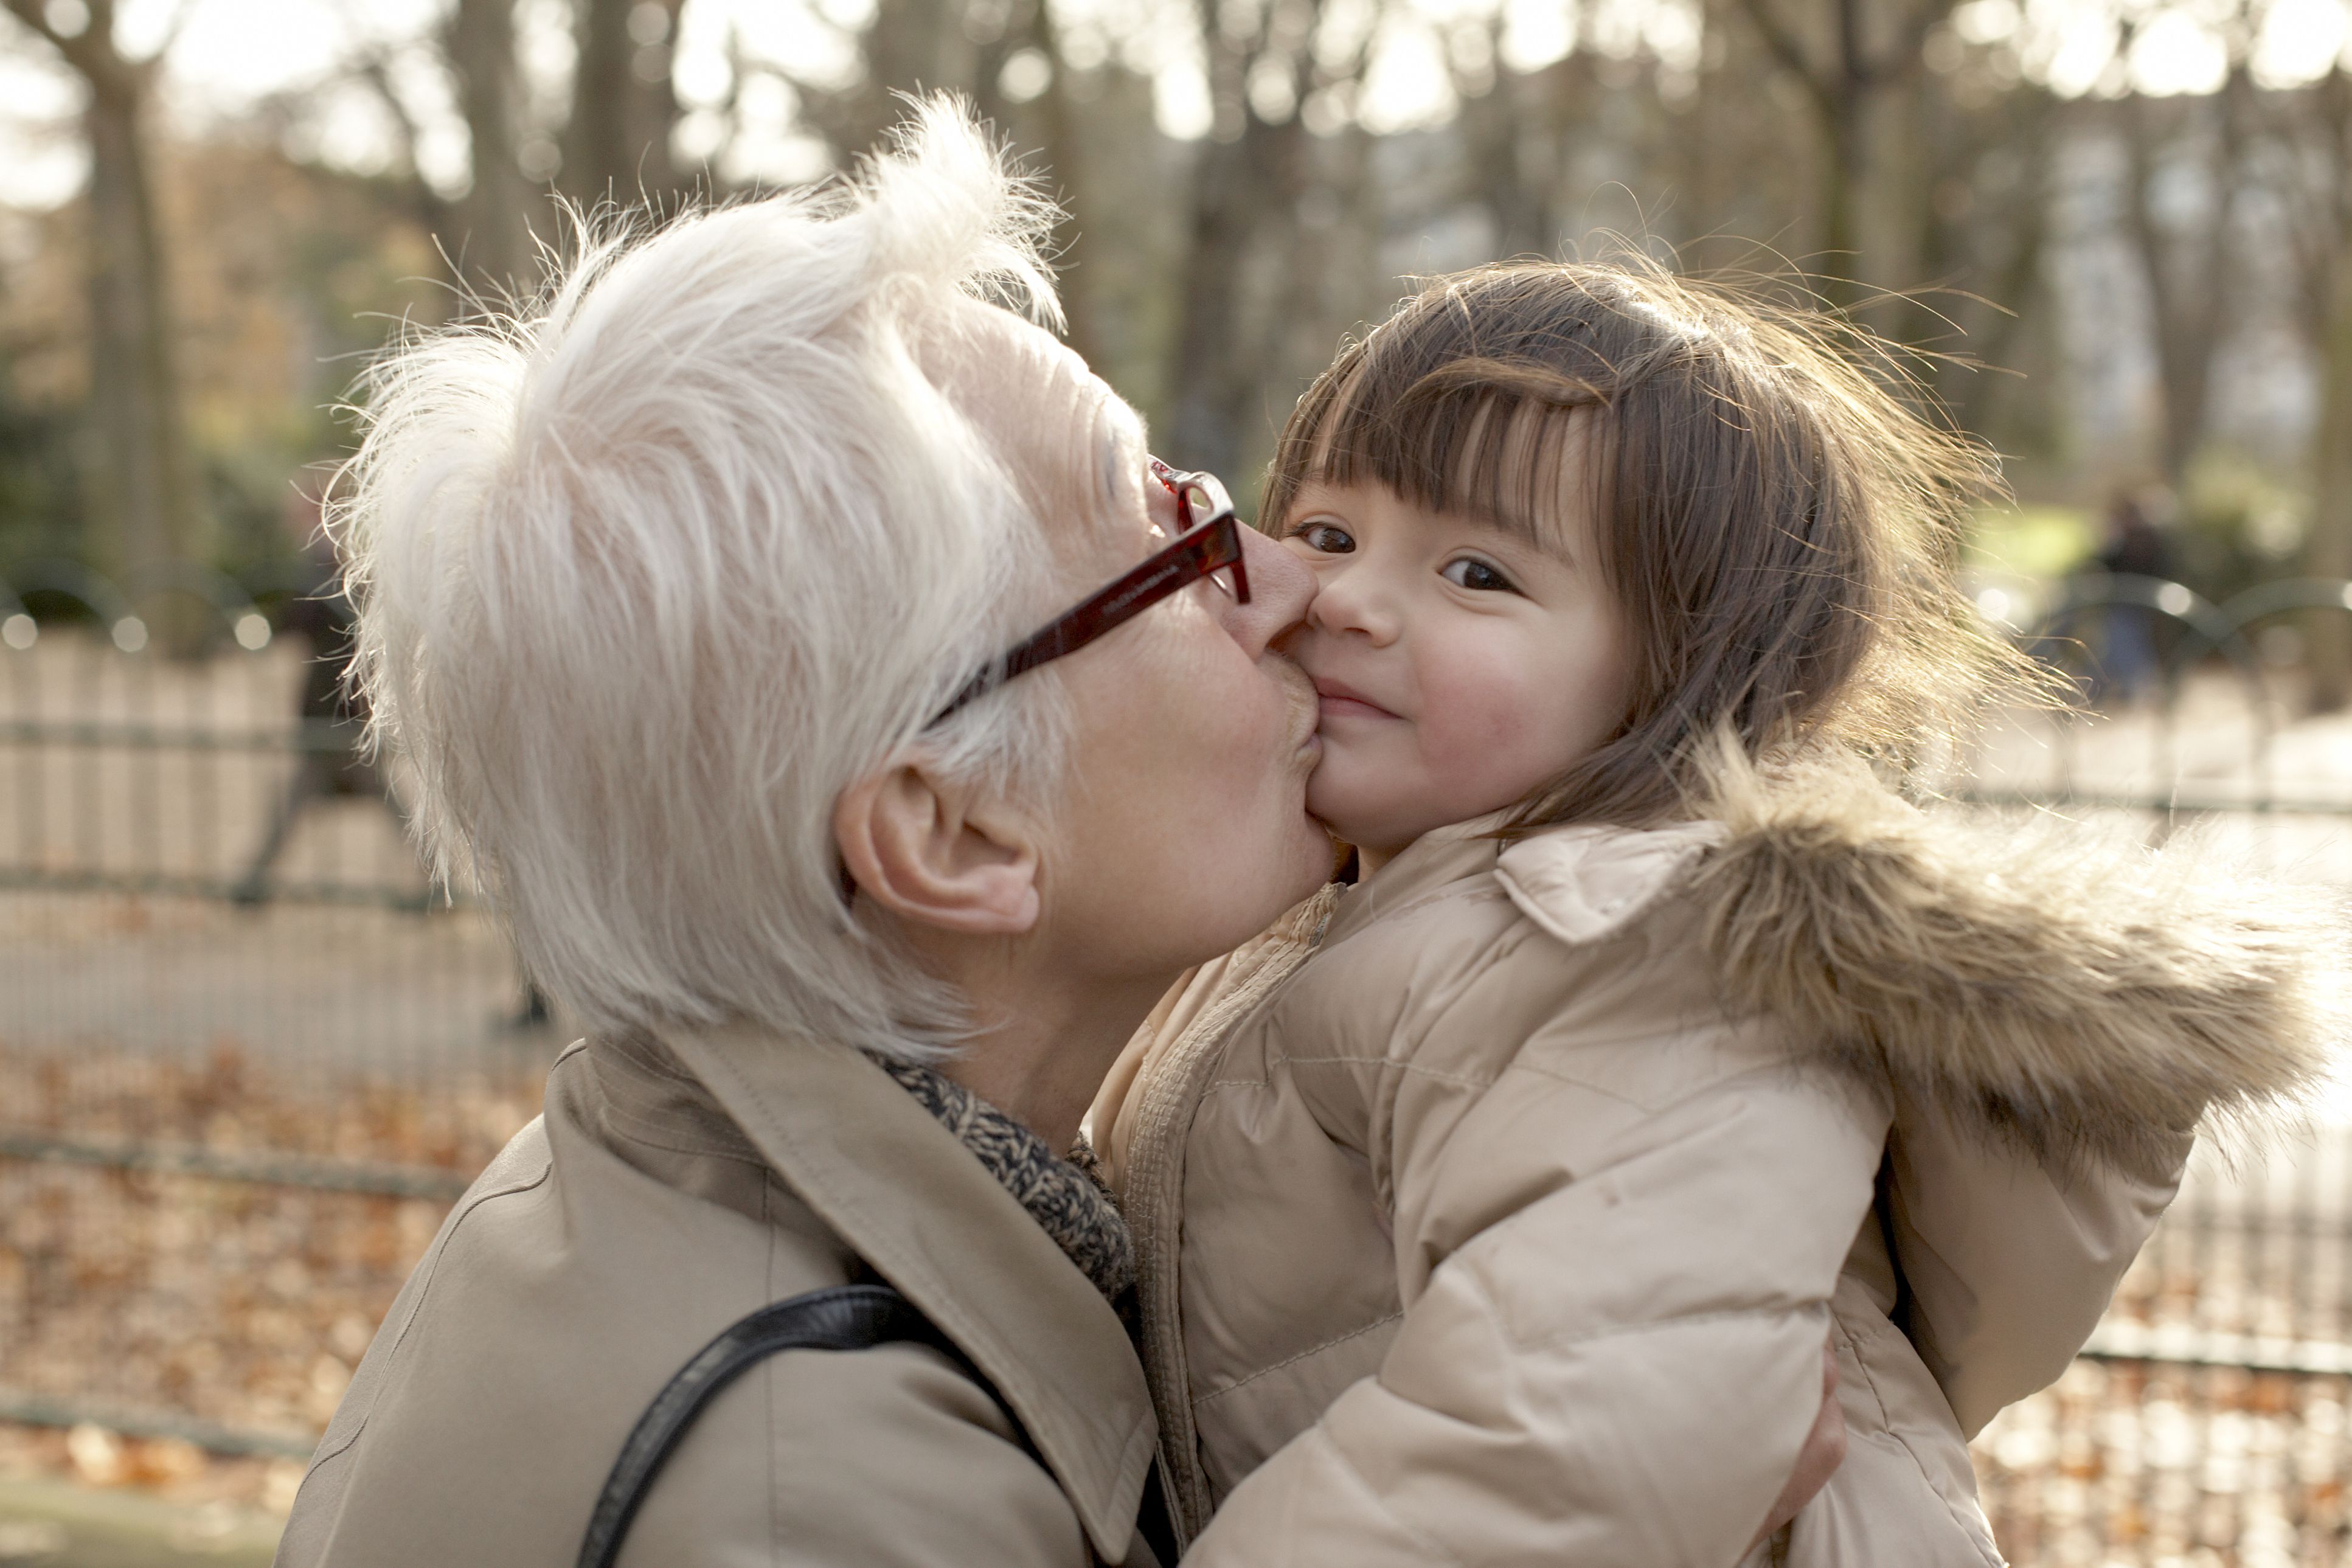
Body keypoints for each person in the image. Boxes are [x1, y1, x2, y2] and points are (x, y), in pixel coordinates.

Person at [1091, 263, 2340, 1565]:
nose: (1347, 596)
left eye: (1474, 571)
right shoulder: (1337, 909)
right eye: (1330, 533)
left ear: (1678, 682)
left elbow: (1566, 1456)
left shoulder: (1629, 954)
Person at [272, 103, 1350, 1566]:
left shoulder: (620, 1197)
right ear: (950, 829)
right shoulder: (837, 1499)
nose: (1289, 578)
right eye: (1170, 524)